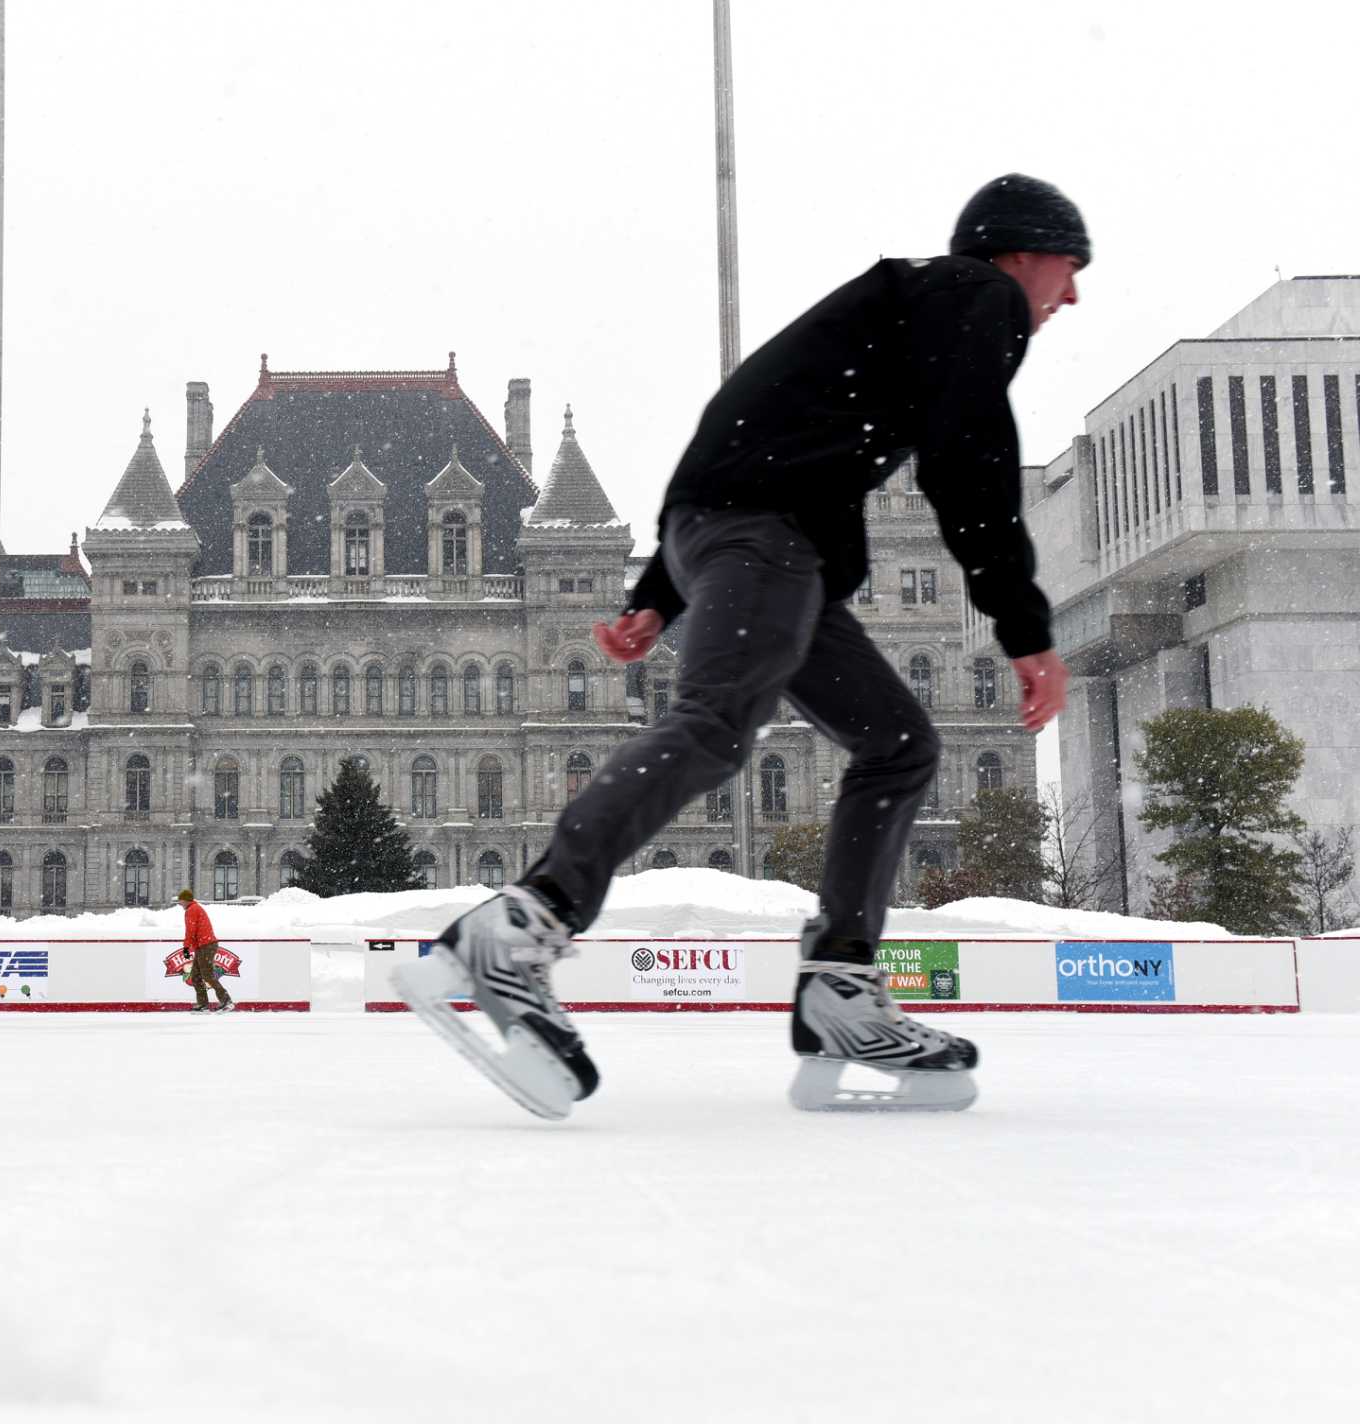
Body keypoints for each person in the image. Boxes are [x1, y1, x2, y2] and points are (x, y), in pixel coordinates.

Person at [397, 174, 1082, 1117]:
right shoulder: (979, 296)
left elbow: (740, 411)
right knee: (718, 725)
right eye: (1068, 268)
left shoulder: (890, 311)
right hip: (766, 536)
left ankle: (841, 987)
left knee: (901, 744)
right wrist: (1024, 627)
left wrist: (660, 589)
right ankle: (524, 924)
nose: (1071, 296)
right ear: (1018, 253)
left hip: (749, 539)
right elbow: (973, 458)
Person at [178, 888, 234, 1012]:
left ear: (186, 900)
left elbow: (190, 931)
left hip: (206, 945)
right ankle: (203, 1004)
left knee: (207, 975)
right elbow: (193, 931)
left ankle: (226, 1000)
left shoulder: (191, 910)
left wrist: (186, 949)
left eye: (180, 901)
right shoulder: (194, 908)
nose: (179, 904)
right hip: (204, 945)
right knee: (196, 976)